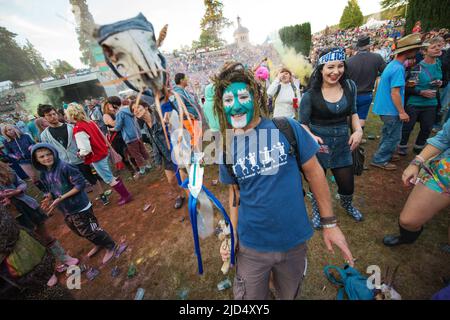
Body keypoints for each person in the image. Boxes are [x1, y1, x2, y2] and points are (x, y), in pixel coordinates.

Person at [214, 62, 354, 300]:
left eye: (242, 97)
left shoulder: (285, 128)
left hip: (293, 241)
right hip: (251, 246)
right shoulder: (226, 147)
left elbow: (315, 172)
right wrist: (233, 233)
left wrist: (329, 223)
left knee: (288, 295)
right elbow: (235, 194)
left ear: (256, 97)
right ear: (221, 106)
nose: (236, 106)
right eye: (228, 101)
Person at [300, 47, 364, 228]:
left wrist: (358, 131)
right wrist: (311, 136)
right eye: (330, 67)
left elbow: (353, 112)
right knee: (316, 183)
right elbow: (302, 124)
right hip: (318, 147)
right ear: (320, 69)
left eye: (340, 66)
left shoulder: (350, 86)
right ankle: (318, 212)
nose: (336, 72)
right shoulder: (310, 95)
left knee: (347, 185)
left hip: (344, 144)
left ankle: (347, 205)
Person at [31, 144, 117, 264]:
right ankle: (98, 243)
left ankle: (110, 245)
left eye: (49, 154)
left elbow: (80, 185)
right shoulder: (44, 173)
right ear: (36, 160)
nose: (46, 158)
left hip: (80, 206)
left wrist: (61, 198)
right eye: (42, 156)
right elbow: (51, 189)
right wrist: (49, 197)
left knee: (91, 230)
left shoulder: (65, 167)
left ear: (54, 153)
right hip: (66, 209)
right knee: (79, 231)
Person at [0, 161, 79, 286]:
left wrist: (16, 191)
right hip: (10, 219)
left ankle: (65, 258)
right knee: (34, 244)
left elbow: (22, 184)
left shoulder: (5, 169)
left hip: (26, 207)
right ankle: (49, 272)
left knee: (46, 235)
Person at [383, 118, 450, 252]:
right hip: (443, 176)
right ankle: (407, 238)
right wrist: (416, 162)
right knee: (408, 221)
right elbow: (444, 138)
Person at [371, 34, 426, 171]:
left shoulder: (393, 65)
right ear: (408, 51)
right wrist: (402, 112)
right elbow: (395, 93)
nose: (418, 51)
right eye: (416, 49)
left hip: (385, 108)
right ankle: (380, 159)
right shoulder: (398, 68)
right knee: (394, 137)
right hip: (391, 109)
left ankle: (384, 154)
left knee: (388, 133)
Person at [38, 104, 109, 205]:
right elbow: (50, 151)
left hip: (80, 159)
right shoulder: (44, 135)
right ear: (44, 118)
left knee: (91, 178)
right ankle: (85, 201)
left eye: (54, 114)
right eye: (49, 115)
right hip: (64, 164)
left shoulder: (71, 127)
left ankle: (102, 195)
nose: (53, 116)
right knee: (74, 184)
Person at [65, 103, 132, 206]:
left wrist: (80, 153)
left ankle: (126, 195)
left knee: (109, 179)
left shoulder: (78, 128)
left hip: (96, 156)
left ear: (71, 115)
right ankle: (125, 194)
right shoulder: (90, 122)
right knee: (110, 176)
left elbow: (85, 149)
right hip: (103, 152)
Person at [131, 100, 186, 209]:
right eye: (133, 110)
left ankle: (195, 202)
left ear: (146, 107)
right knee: (171, 181)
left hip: (176, 153)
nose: (136, 111)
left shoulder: (160, 117)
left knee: (184, 180)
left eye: (138, 107)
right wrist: (157, 161)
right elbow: (154, 144)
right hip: (165, 156)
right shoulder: (146, 127)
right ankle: (180, 196)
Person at [399, 37, 444, 156]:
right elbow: (408, 87)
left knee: (427, 128)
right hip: (415, 103)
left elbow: (441, 79)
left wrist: (440, 82)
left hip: (431, 103)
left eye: (439, 46)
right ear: (424, 51)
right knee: (408, 127)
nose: (437, 49)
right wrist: (421, 92)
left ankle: (419, 146)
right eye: (433, 47)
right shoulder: (417, 68)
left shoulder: (439, 64)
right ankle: (401, 146)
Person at [347, 36, 386, 129]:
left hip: (352, 94)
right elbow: (385, 72)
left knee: (350, 116)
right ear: (369, 46)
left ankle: (352, 137)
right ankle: (357, 139)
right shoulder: (377, 58)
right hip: (366, 93)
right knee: (361, 117)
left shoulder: (349, 61)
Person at [113, 98, 152, 177]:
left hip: (129, 136)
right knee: (143, 150)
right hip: (138, 133)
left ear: (114, 105)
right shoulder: (130, 108)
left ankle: (142, 169)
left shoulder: (120, 113)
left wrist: (112, 128)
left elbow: (118, 127)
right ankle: (148, 165)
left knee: (136, 154)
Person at [102, 97, 138, 178]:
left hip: (123, 134)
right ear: (106, 106)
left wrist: (120, 116)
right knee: (123, 156)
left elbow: (118, 122)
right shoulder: (106, 115)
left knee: (131, 152)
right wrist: (121, 117)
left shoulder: (117, 112)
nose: (111, 106)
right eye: (110, 105)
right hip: (116, 138)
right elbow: (113, 124)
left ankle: (138, 168)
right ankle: (132, 171)